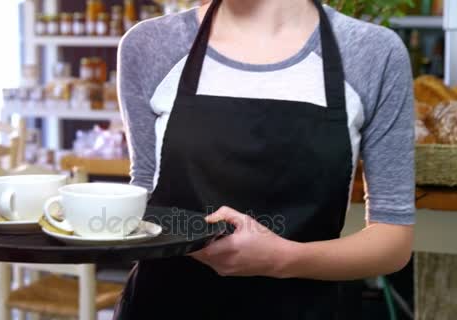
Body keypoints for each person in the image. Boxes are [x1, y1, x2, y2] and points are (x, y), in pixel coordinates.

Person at [115, 0, 414, 318]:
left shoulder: (372, 53)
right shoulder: (150, 44)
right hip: (163, 306)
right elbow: (145, 198)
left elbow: (393, 241)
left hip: (302, 309)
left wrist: (281, 258)